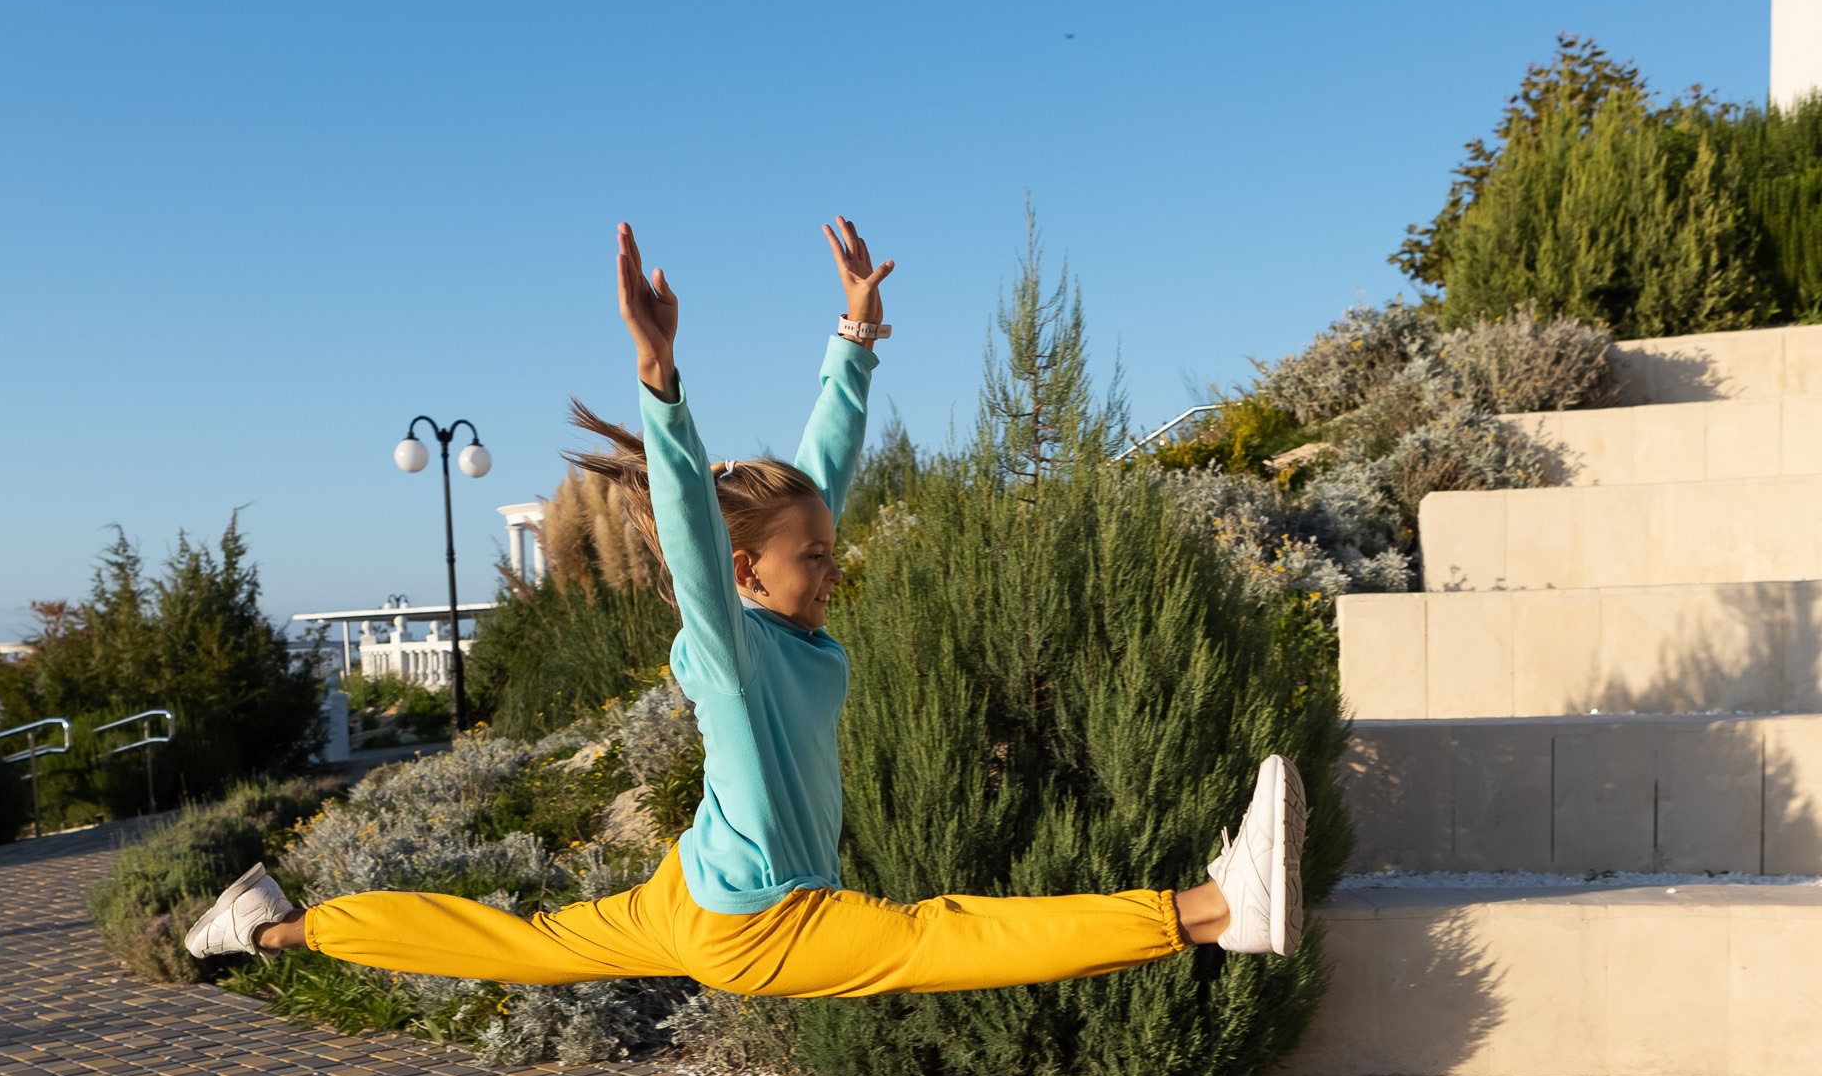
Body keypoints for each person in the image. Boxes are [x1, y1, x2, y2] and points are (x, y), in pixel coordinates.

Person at [187, 218, 1306, 995]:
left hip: (690, 890)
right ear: (743, 573)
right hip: (759, 924)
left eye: (828, 550)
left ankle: (271, 927)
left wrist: (853, 340)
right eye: (810, 557)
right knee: (939, 937)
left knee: (515, 943)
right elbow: (688, 532)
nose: (831, 566)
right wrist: (659, 380)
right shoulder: (728, 649)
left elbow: (820, 475)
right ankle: (1215, 910)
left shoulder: (785, 614)